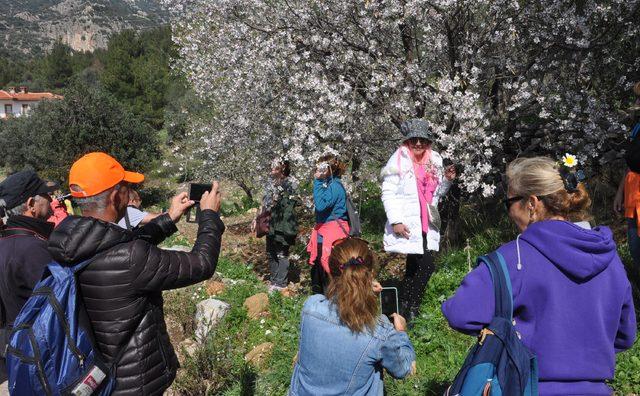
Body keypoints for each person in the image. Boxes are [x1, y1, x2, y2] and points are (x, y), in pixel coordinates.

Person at [442, 156, 637, 396]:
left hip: (529, 387)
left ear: (532, 203)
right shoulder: (610, 259)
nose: (509, 212)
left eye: (509, 203)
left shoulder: (514, 258)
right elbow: (625, 336)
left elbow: (460, 313)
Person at [47, 152, 225, 395]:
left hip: (102, 375)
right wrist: (210, 216)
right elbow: (202, 263)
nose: (129, 192)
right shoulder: (130, 258)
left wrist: (169, 218)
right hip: (136, 382)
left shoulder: (71, 242)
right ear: (115, 196)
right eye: (126, 187)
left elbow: (125, 243)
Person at [290, 238, 416, 395]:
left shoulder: (311, 307)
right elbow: (403, 369)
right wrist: (401, 333)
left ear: (330, 271)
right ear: (370, 273)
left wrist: (360, 287)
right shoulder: (379, 331)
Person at [380, 119, 456, 320]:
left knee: (414, 266)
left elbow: (436, 193)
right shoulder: (398, 160)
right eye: (414, 140)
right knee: (427, 265)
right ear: (407, 141)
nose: (419, 144)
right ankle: (412, 306)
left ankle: (404, 307)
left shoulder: (435, 159)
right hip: (408, 221)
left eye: (422, 140)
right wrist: (395, 220)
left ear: (428, 141)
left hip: (426, 219)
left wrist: (447, 181)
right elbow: (388, 192)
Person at [0, 170, 57, 394]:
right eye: (47, 196)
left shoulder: (6, 242)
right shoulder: (33, 250)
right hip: (42, 356)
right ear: (31, 203)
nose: (52, 201)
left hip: (17, 352)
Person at [307, 155, 349, 294]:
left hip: (331, 234)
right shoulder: (331, 185)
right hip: (325, 231)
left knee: (329, 266)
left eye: (321, 167)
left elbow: (320, 205)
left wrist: (318, 181)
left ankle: (329, 298)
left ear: (329, 169)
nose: (317, 170)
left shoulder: (335, 187)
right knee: (321, 268)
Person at [253, 159, 298, 292]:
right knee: (270, 251)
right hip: (270, 222)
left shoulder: (290, 183)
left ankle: (281, 282)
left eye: (275, 168)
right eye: (271, 168)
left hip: (283, 223)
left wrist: (278, 201)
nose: (272, 171)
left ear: (283, 168)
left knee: (281, 252)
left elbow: (292, 204)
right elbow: (264, 202)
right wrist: (257, 218)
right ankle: (274, 279)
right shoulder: (270, 183)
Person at [614, 81, 640, 287]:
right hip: (633, 193)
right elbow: (630, 162)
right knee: (635, 246)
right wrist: (620, 192)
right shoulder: (637, 127)